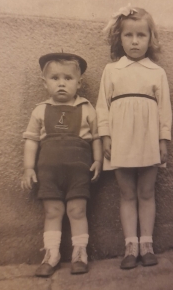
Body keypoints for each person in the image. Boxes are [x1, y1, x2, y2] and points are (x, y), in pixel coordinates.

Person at [96, 5, 172, 269]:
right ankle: (130, 246)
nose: (135, 41)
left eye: (141, 35)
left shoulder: (157, 73)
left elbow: (164, 110)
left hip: (148, 139)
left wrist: (163, 140)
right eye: (129, 35)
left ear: (151, 39)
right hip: (120, 139)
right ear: (120, 38)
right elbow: (102, 107)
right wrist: (105, 136)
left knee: (147, 192)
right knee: (127, 193)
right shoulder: (112, 70)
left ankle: (147, 244)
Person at [21, 53, 102, 277]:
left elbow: (96, 137)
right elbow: (31, 140)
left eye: (68, 78)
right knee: (52, 210)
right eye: (55, 78)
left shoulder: (87, 108)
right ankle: (51, 254)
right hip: (48, 171)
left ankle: (79, 253)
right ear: (45, 83)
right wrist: (29, 167)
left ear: (79, 83)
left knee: (77, 210)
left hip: (78, 171)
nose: (62, 83)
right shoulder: (40, 110)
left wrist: (97, 160)